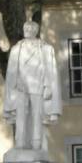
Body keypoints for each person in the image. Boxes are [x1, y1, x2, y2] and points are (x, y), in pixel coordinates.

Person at [3, 21, 62, 154]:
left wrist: (48, 86)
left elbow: (49, 70)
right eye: (25, 28)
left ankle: (36, 144)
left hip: (38, 86)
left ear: (36, 30)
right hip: (21, 87)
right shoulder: (17, 48)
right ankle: (20, 143)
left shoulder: (45, 48)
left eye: (30, 28)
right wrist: (12, 89)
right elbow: (12, 70)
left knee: (37, 115)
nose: (27, 30)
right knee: (21, 116)